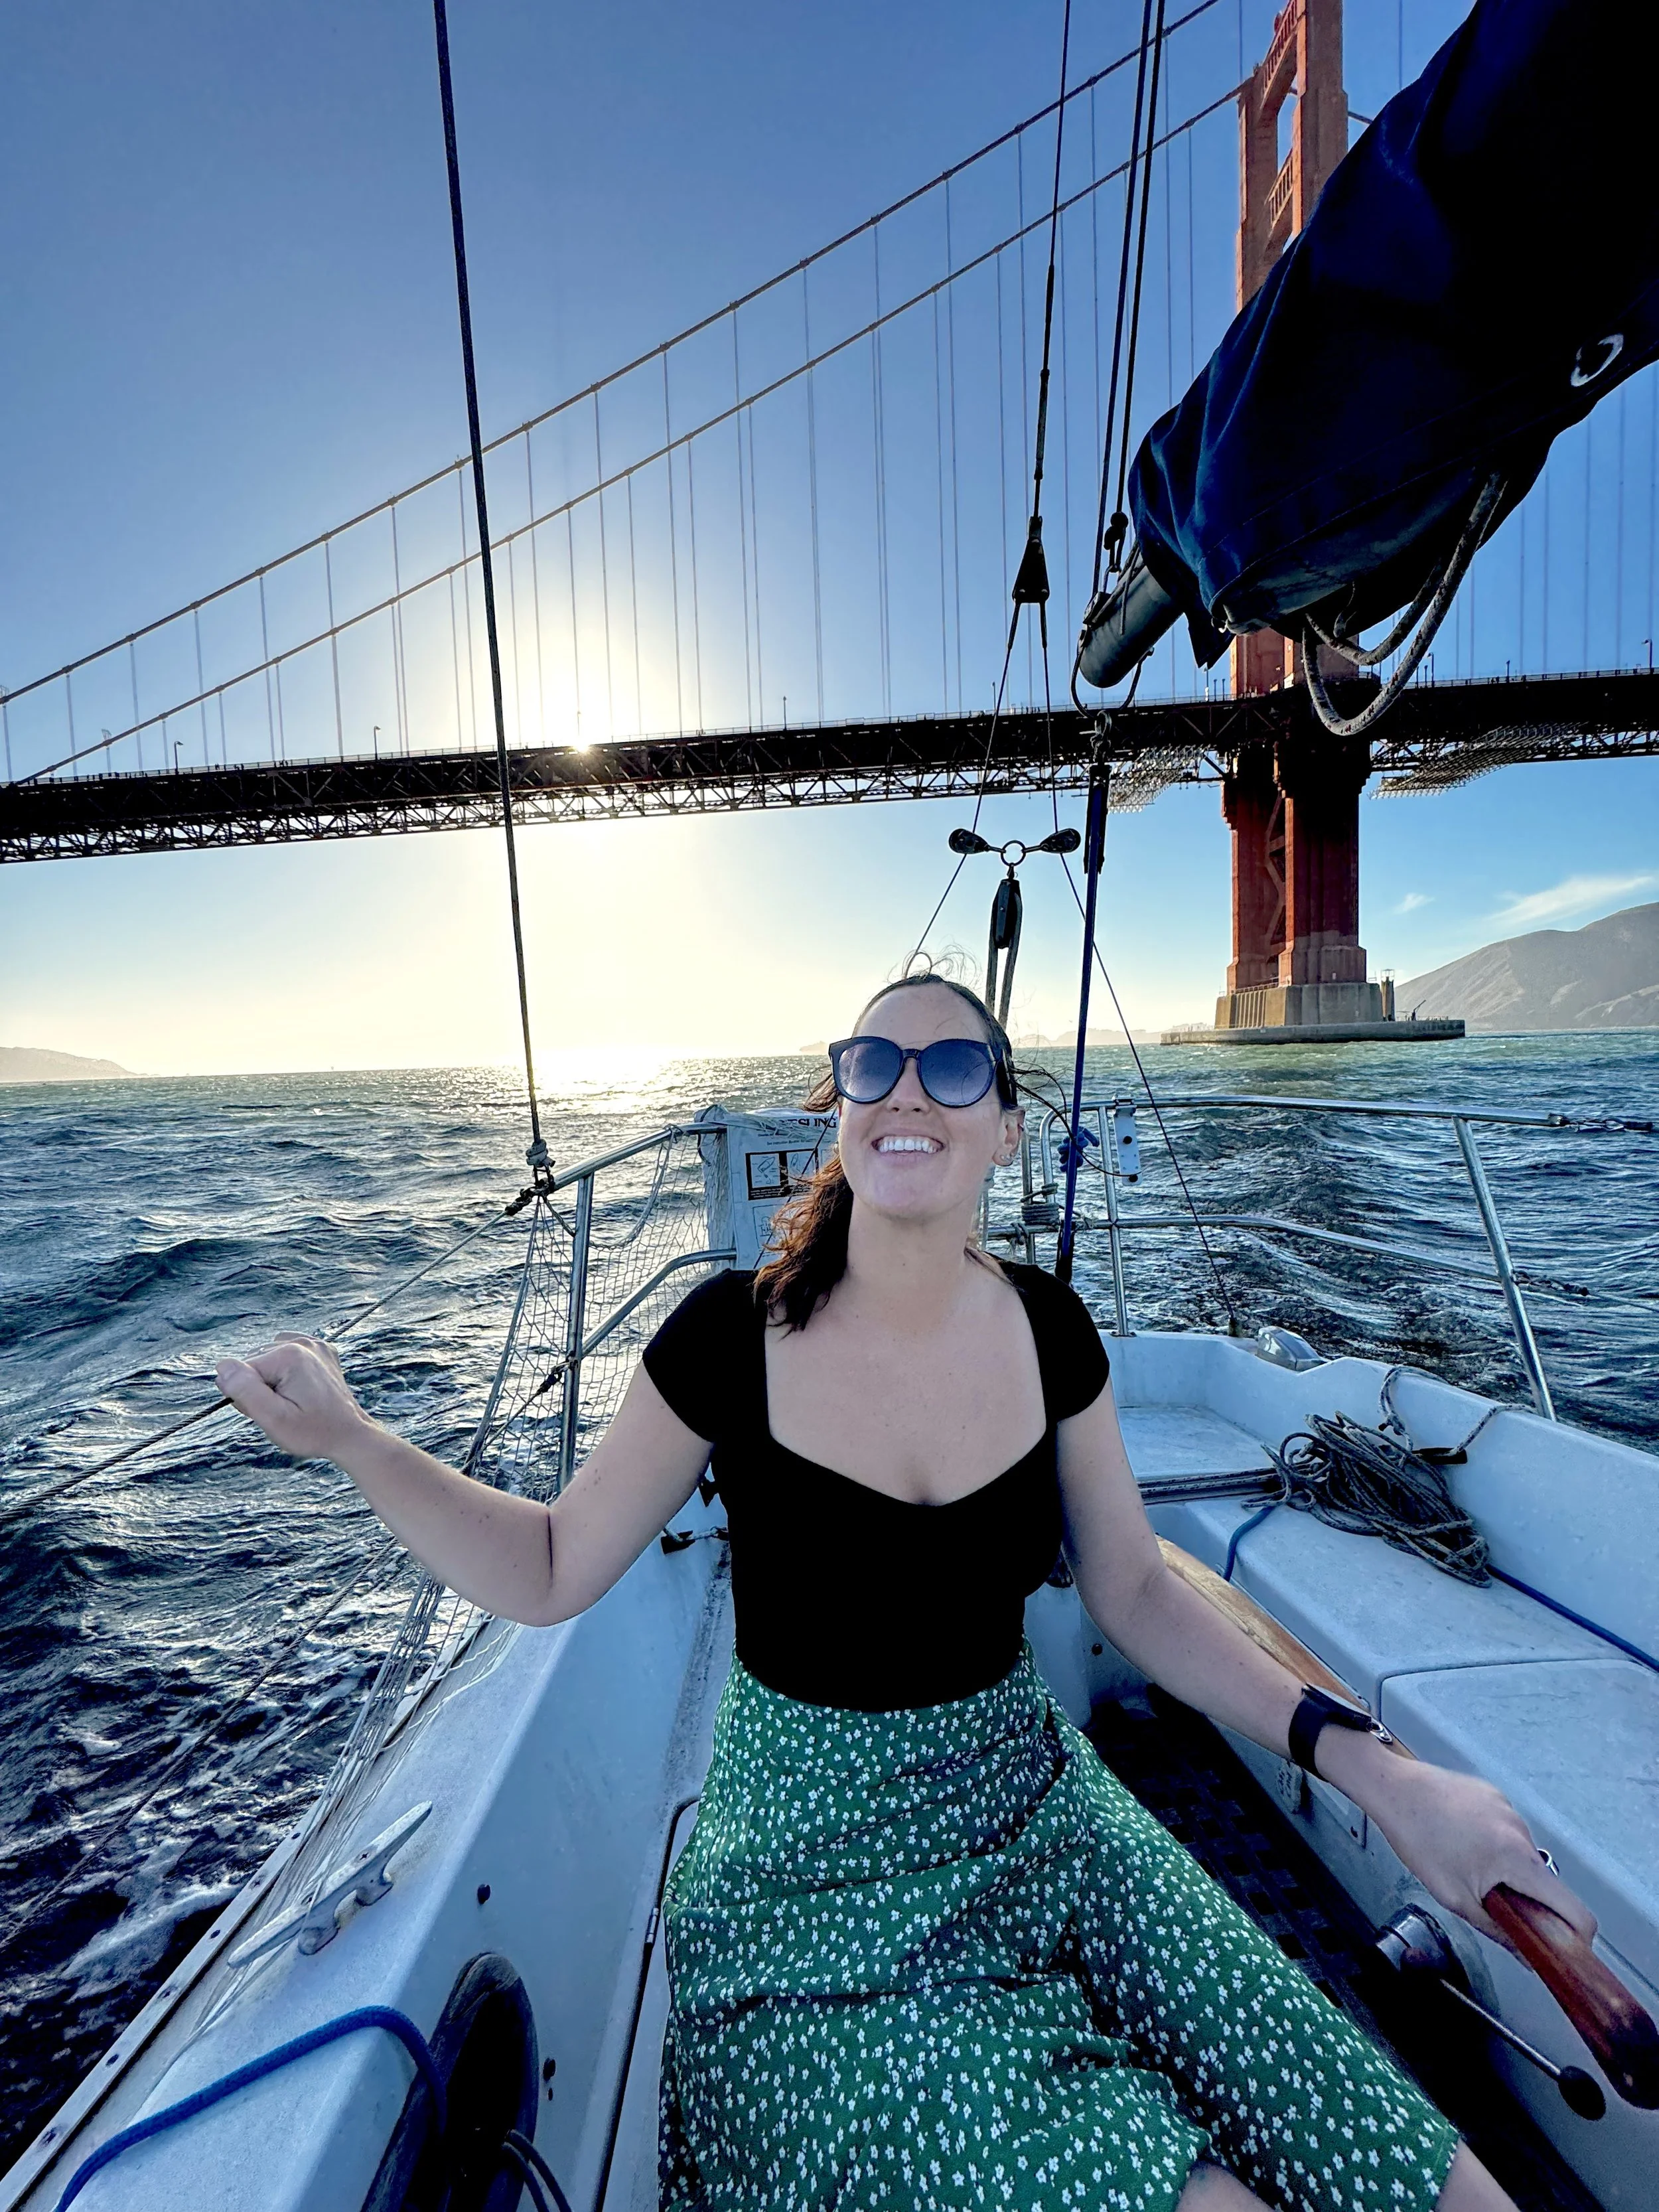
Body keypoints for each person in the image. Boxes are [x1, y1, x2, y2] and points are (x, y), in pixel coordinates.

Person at [218, 974, 1588, 2212]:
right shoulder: (725, 1334)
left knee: (1424, 2175)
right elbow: (548, 1563)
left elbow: (1136, 1591)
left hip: (1035, 1803)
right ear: (840, 1112)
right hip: (804, 1887)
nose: (906, 1090)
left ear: (1004, 1122)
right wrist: (353, 1438)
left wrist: (1387, 1778)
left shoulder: (1052, 1328)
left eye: (951, 1067)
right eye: (872, 1062)